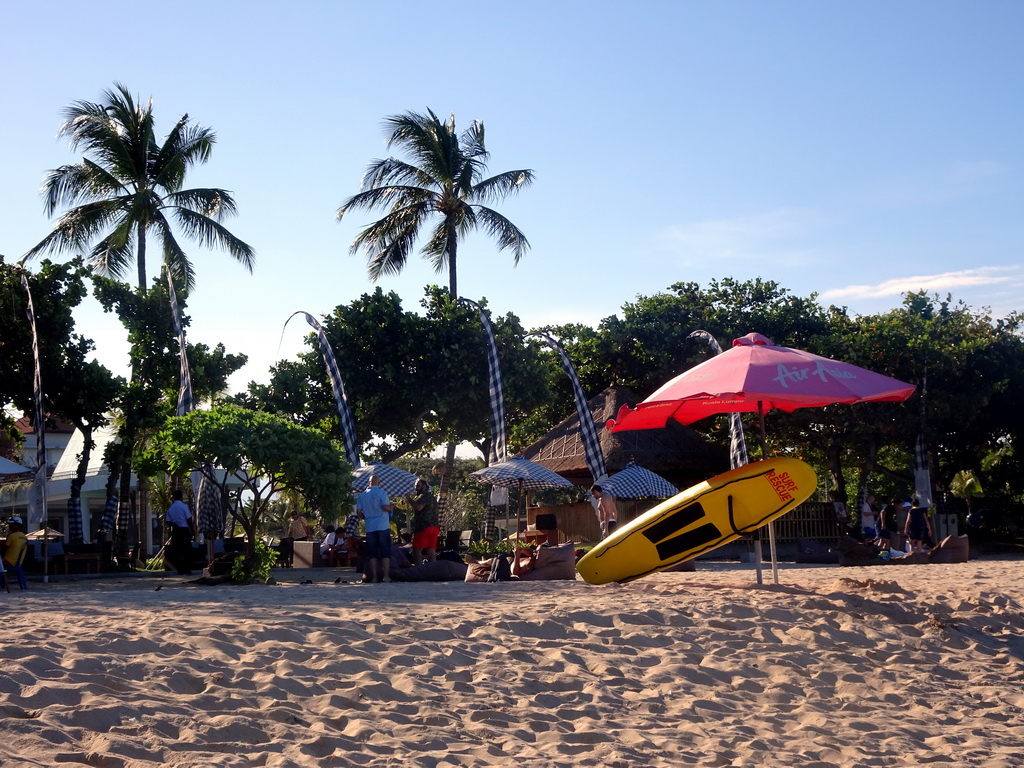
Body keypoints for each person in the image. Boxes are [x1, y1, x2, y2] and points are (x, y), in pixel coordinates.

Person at [356, 474, 393, 583]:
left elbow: (359, 512)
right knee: (385, 552)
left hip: (370, 527)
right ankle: (386, 576)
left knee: (372, 553)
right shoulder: (382, 492)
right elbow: (385, 507)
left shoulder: (362, 496)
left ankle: (374, 577)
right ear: (379, 483)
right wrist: (391, 507)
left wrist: (366, 518)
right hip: (382, 525)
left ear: (369, 483)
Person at [406, 477, 439, 565]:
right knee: (431, 551)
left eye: (418, 486)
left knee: (417, 551)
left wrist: (409, 499)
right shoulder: (432, 497)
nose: (416, 488)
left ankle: (419, 571)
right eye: (415, 486)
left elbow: (419, 507)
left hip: (423, 528)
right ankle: (434, 571)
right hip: (434, 527)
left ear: (424, 486)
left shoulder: (424, 496)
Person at [165, 490, 195, 575]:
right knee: (187, 550)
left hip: (176, 530)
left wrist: (174, 524)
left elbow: (167, 521)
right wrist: (192, 531)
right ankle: (187, 569)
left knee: (177, 550)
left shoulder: (171, 508)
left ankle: (180, 569)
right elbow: (189, 519)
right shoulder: (184, 506)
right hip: (184, 530)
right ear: (181, 497)